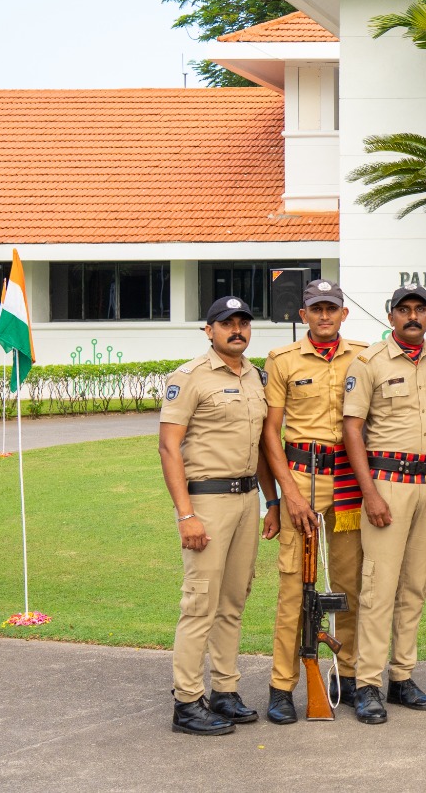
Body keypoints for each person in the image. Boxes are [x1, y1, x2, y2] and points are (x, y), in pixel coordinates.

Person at [157, 296, 272, 736]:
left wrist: (272, 502)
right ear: (210, 330)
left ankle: (225, 691)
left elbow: (261, 446)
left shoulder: (256, 378)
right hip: (205, 502)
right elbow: (169, 448)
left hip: (246, 500)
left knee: (233, 601)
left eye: (243, 322)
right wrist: (185, 514)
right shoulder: (189, 378)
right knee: (200, 602)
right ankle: (187, 702)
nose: (236, 329)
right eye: (227, 323)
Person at [258, 280, 366, 725]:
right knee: (292, 589)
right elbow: (270, 432)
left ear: (344, 315)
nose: (324, 316)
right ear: (302, 316)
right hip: (302, 472)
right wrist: (288, 495)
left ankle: (350, 675)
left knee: (349, 584)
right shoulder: (282, 360)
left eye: (331, 309)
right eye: (315, 309)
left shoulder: (364, 355)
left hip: (348, 475)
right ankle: (282, 686)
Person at [341, 285, 426, 724]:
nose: (412, 317)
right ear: (391, 316)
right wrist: (369, 493)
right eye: (403, 310)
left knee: (414, 587)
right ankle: (367, 682)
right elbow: (353, 430)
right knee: (378, 587)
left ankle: (402, 677)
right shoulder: (368, 362)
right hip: (387, 484)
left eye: (419, 310)